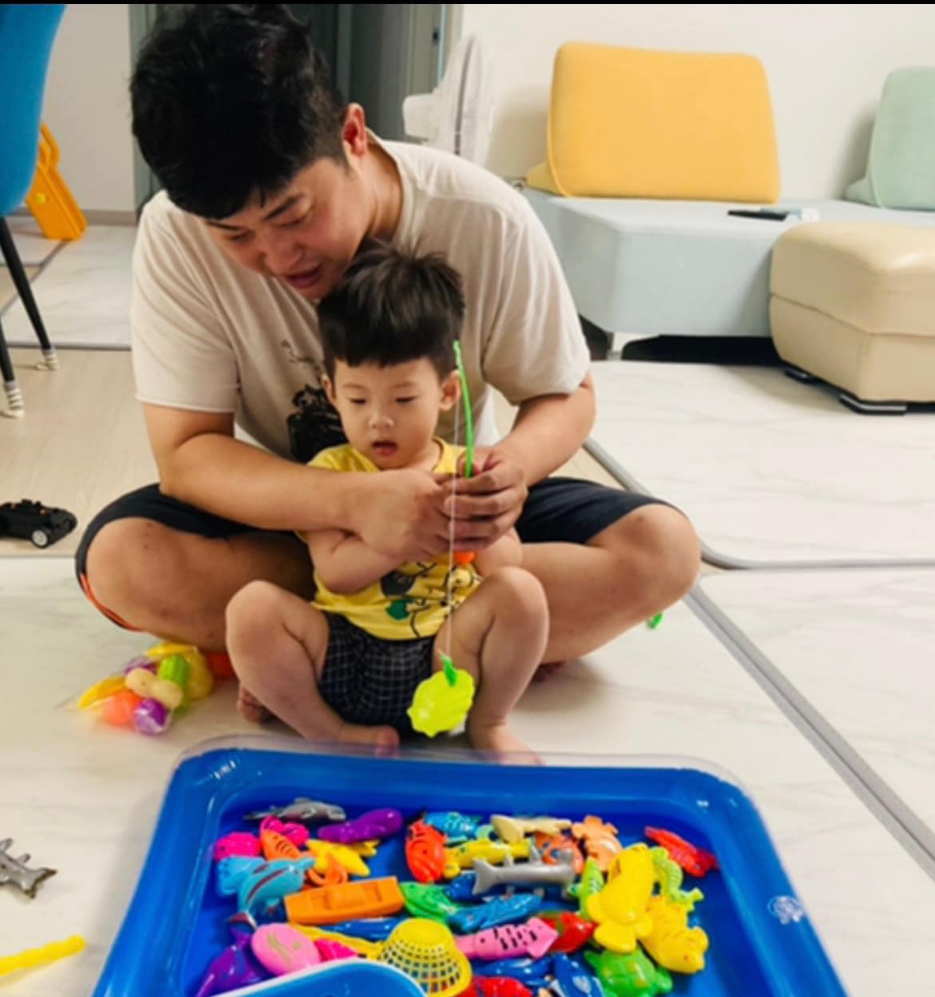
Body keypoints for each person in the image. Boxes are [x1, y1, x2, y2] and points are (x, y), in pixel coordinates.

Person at [75, 5, 700, 714]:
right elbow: (188, 454)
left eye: (292, 215)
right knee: (123, 561)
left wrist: (505, 475)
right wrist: (353, 505)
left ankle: (321, 653)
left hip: (458, 525)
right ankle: (459, 646)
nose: (276, 257)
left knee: (664, 549)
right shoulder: (175, 237)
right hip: (304, 518)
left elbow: (567, 394)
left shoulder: (483, 216)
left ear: (352, 136)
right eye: (235, 236)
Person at [227, 246, 548, 753]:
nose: (379, 419)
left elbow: (506, 567)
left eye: (403, 399)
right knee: (251, 610)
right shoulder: (332, 473)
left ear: (447, 393)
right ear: (332, 393)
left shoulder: (465, 469)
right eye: (358, 399)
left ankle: (490, 723)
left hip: (448, 655)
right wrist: (400, 537)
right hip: (344, 650)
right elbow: (336, 572)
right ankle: (326, 730)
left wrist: (480, 527)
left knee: (523, 592)